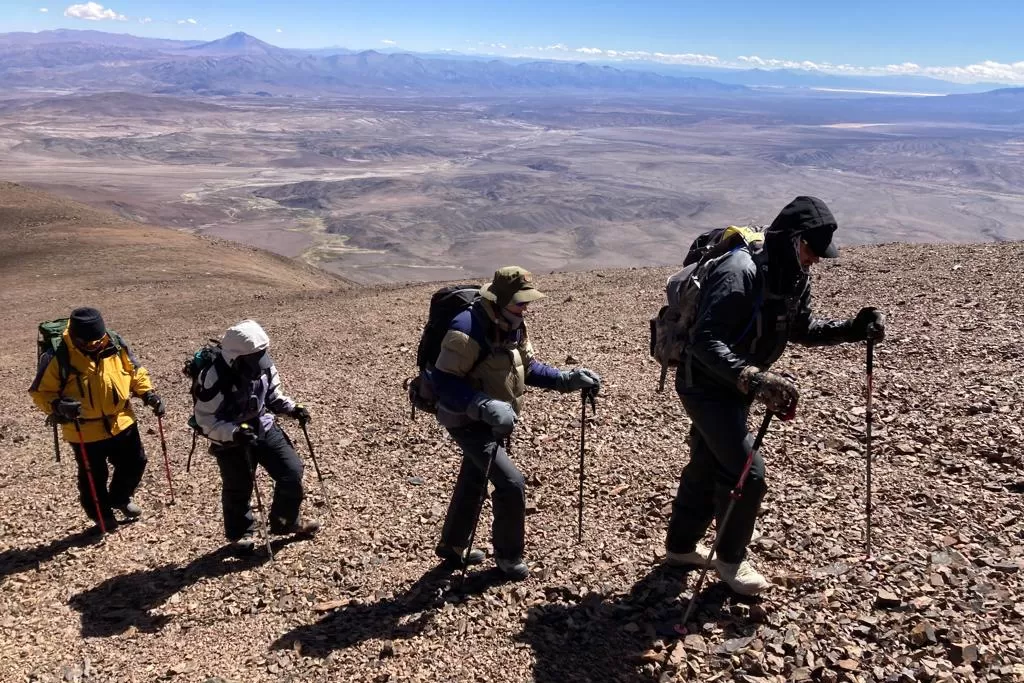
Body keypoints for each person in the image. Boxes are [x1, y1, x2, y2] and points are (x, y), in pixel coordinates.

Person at [665, 196, 886, 595]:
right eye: (811, 250)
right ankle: (731, 561)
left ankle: (680, 547)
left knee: (707, 459)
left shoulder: (791, 276)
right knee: (748, 473)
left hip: (737, 386)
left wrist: (852, 329)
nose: (815, 260)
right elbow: (705, 341)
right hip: (705, 387)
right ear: (793, 239)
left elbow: (800, 328)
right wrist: (753, 377)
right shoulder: (740, 272)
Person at [430, 266, 602, 580]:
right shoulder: (466, 327)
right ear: (499, 300)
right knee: (510, 483)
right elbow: (443, 381)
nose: (526, 308)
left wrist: (565, 380)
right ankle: (508, 557)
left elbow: (528, 367)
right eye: (520, 302)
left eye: (527, 302)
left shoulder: (513, 324)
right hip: (465, 419)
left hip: (493, 416)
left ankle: (452, 546)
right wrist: (482, 405)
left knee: (475, 475)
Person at [29, 307, 164, 530]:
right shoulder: (57, 355)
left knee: (135, 462)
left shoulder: (114, 343)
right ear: (75, 336)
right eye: (88, 341)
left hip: (121, 419)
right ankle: (101, 515)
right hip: (83, 428)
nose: (94, 344)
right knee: (93, 475)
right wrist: (58, 405)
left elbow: (134, 372)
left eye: (98, 339)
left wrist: (148, 394)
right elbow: (40, 392)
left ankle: (121, 497)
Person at [193, 319, 319, 554]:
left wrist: (292, 408)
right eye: (253, 359)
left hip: (262, 426)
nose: (259, 364)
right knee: (238, 486)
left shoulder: (260, 363)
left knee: (291, 471)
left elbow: (272, 394)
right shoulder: (213, 377)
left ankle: (285, 521)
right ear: (236, 357)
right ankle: (240, 534)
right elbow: (205, 419)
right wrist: (233, 432)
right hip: (229, 438)